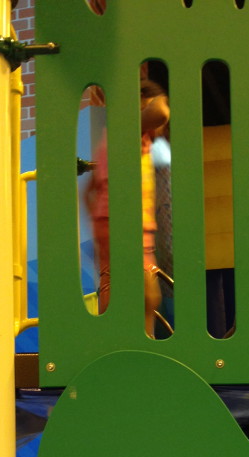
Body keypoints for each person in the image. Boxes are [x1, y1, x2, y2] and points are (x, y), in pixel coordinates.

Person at [84, 77, 170, 335]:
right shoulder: (129, 128)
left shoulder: (133, 137)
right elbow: (161, 112)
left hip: (124, 220)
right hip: (121, 219)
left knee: (136, 288)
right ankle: (131, 340)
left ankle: (131, 340)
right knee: (144, 290)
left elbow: (89, 190)